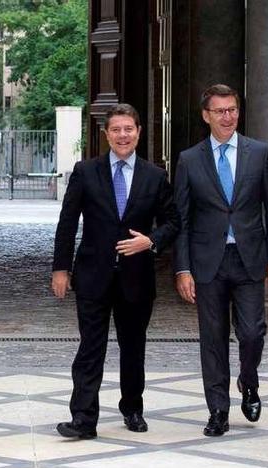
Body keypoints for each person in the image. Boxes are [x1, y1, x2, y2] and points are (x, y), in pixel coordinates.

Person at [52, 103, 178, 440]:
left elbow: (174, 221)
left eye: (129, 129)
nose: (123, 135)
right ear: (106, 135)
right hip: (93, 274)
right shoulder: (86, 172)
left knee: (133, 347)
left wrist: (150, 242)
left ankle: (133, 408)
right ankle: (83, 418)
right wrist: (60, 268)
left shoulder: (155, 176)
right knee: (90, 347)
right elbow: (67, 223)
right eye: (116, 130)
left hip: (137, 278)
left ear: (139, 132)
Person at [173, 84, 268, 437]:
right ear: (206, 115)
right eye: (220, 111)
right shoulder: (189, 160)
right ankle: (217, 409)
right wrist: (183, 268)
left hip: (249, 258)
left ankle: (248, 381)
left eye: (232, 109)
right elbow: (182, 219)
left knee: (253, 333)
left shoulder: (259, 152)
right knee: (213, 337)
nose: (227, 117)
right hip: (208, 262)